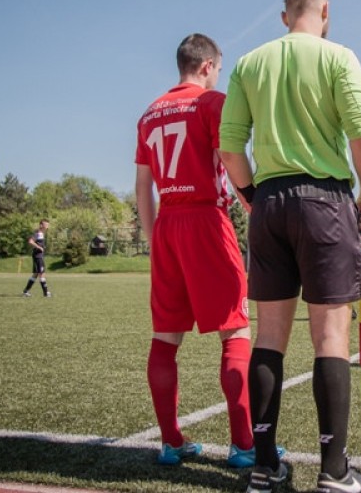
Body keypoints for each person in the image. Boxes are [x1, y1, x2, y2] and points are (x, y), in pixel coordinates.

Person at [218, 0, 361, 493]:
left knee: (268, 338)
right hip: (325, 203)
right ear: (325, 13)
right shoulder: (339, 57)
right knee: (330, 336)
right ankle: (334, 472)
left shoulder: (249, 63)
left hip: (268, 204)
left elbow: (229, 151)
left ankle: (265, 468)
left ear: (286, 15)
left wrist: (252, 198)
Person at [135, 34, 278, 469]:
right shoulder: (211, 103)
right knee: (235, 331)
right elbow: (230, 159)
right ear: (207, 65)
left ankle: (171, 441)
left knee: (165, 338)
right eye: (218, 68)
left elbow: (143, 187)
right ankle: (243, 445)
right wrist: (256, 207)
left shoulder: (148, 113)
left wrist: (153, 237)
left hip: (167, 228)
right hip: (205, 221)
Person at [21, 219, 51, 298]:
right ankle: (46, 293)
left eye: (48, 225)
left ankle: (26, 291)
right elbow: (30, 241)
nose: (47, 226)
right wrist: (39, 247)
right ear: (41, 225)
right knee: (41, 273)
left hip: (38, 255)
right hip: (38, 256)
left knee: (36, 274)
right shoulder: (38, 233)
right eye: (46, 224)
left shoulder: (42, 233)